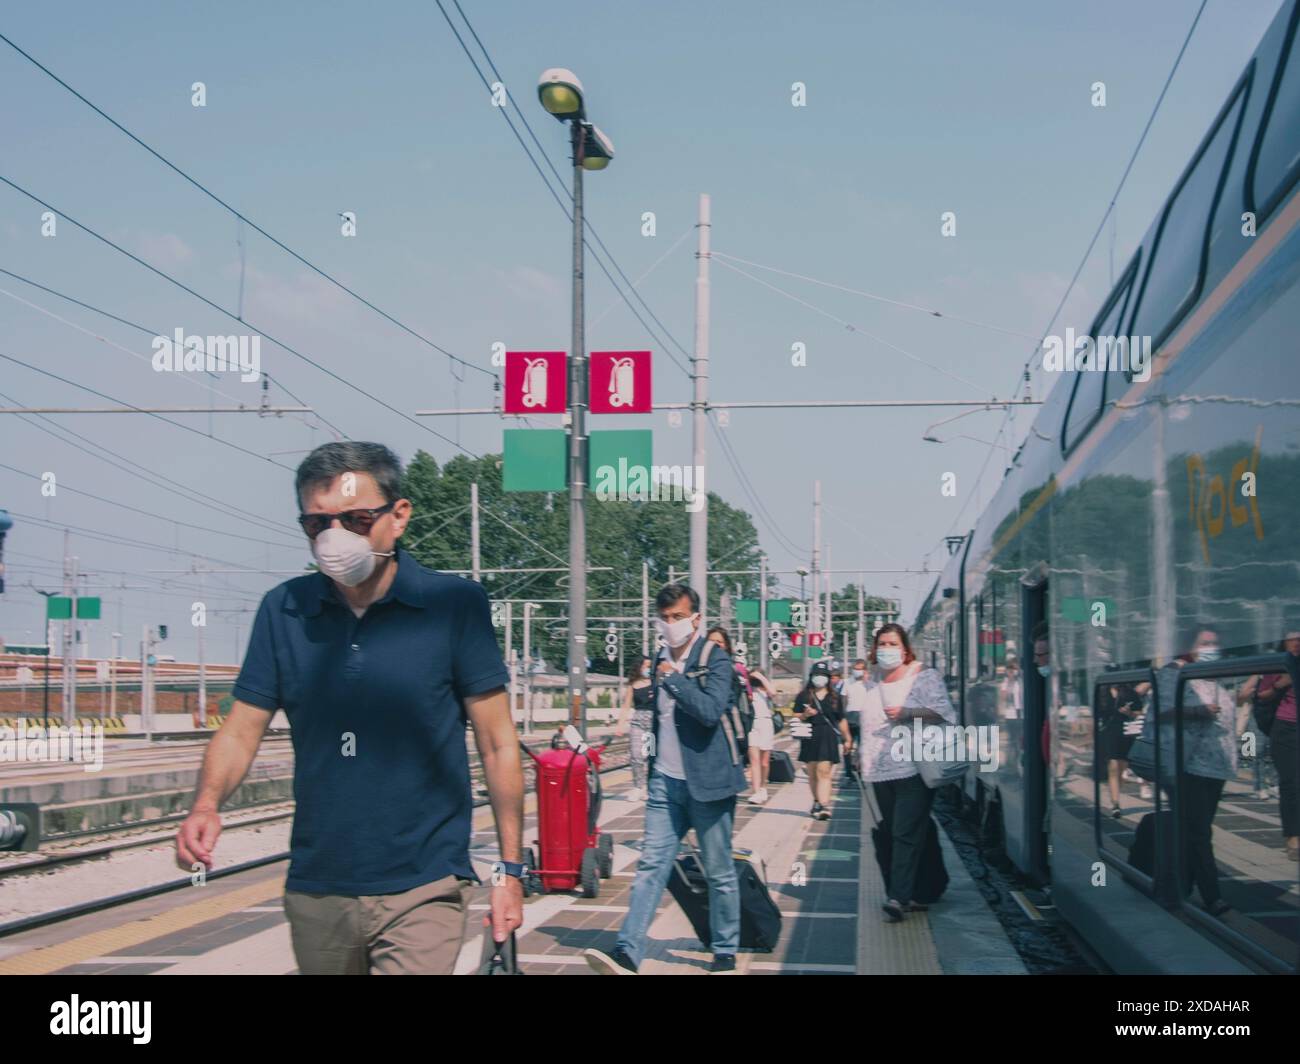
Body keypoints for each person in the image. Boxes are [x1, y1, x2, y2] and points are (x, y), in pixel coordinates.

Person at [175, 441, 524, 974]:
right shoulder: (284, 610)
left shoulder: (453, 605)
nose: (336, 538)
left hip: (424, 883)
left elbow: (498, 745)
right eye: (319, 525)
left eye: (357, 520)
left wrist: (508, 872)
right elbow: (242, 729)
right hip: (319, 888)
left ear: (398, 516)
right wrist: (206, 804)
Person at [583, 583, 748, 975]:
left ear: (696, 618)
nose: (671, 624)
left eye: (678, 617)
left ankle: (725, 950)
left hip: (709, 783)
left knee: (719, 870)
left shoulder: (715, 658)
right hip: (666, 784)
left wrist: (674, 678)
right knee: (651, 866)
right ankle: (628, 952)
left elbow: (709, 711)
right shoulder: (659, 657)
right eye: (665, 617)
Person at [857, 622, 957, 922]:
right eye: (882, 644)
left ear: (905, 648)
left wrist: (907, 713)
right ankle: (931, 884)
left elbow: (944, 713)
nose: (887, 650)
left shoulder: (924, 677)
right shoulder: (874, 681)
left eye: (892, 644)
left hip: (914, 767)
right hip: (879, 771)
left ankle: (899, 898)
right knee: (906, 830)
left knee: (903, 832)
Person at [1140, 624, 1237, 915]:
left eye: (1215, 642)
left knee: (1195, 831)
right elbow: (1159, 712)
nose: (1212, 648)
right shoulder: (1174, 672)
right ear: (1190, 645)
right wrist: (1198, 711)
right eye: (1205, 642)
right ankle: (1212, 897)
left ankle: (1179, 888)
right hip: (1189, 764)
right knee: (1198, 833)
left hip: (1214, 767)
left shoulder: (1212, 675)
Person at [1243, 631, 1299, 861]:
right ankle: (1293, 837)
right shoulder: (1278, 665)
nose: (1297, 643)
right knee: (1290, 783)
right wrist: (1281, 684)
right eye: (1293, 639)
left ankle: (1260, 784)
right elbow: (1258, 695)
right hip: (1285, 728)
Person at [793, 662, 850, 820]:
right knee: (812, 772)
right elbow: (796, 715)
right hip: (810, 735)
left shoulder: (834, 697)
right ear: (811, 676)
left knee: (823, 771)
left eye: (824, 675)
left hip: (828, 735)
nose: (820, 678)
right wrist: (805, 715)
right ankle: (817, 801)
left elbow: (841, 719)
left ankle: (825, 805)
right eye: (817, 674)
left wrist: (847, 739)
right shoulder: (804, 695)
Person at [1098, 681, 1148, 818]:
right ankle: (1115, 804)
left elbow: (1139, 712)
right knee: (1113, 766)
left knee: (1121, 769)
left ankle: (1115, 796)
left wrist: (1130, 713)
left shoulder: (1130, 693)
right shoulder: (1103, 692)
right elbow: (1098, 712)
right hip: (1110, 733)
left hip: (1126, 733)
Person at [614, 655, 654, 801]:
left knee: (651, 757)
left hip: (652, 724)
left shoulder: (655, 683)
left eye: (650, 666)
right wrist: (620, 725)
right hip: (637, 723)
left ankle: (649, 787)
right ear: (639, 667)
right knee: (636, 755)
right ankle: (638, 786)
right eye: (645, 666)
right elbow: (626, 707)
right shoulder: (633, 685)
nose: (648, 669)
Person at [745, 665, 779, 804]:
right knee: (754, 760)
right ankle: (756, 791)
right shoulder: (747, 690)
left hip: (765, 723)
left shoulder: (765, 689)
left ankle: (763, 787)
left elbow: (774, 693)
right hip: (752, 724)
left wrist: (760, 677)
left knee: (765, 761)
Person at [843, 658, 870, 786]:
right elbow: (843, 700)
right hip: (850, 715)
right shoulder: (847, 682)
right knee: (847, 746)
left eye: (860, 669)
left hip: (865, 716)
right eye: (856, 669)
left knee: (863, 747)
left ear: (865, 670)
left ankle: (861, 772)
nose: (857, 671)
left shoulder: (869, 683)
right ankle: (848, 773)